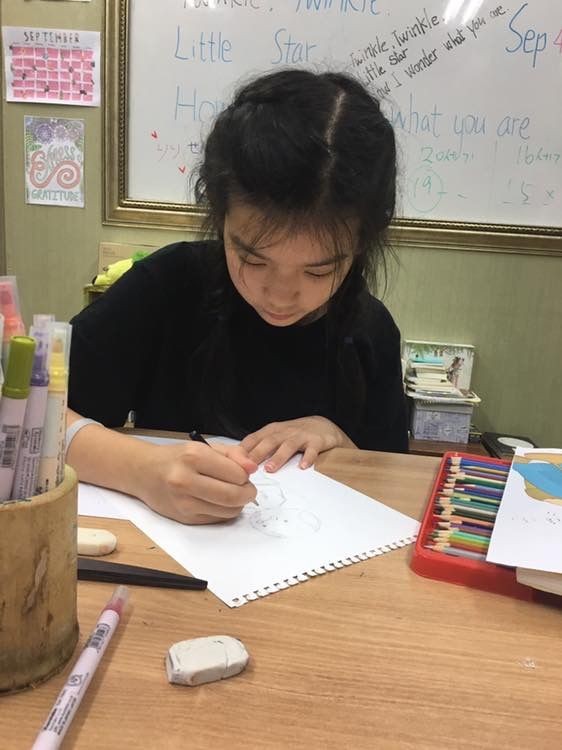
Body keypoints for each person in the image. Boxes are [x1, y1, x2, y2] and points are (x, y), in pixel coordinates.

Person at [66, 68, 408, 525]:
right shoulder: (167, 287)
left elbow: (395, 484)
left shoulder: (371, 332)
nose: (281, 294)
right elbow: (28, 416)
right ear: (220, 215)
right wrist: (140, 469)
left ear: (363, 244)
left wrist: (341, 443)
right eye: (253, 258)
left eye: (319, 269)